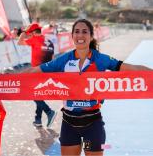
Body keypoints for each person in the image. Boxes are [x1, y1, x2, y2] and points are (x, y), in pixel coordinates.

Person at [25, 19, 152, 156]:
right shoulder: (63, 59)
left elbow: (131, 68)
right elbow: (35, 71)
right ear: (72, 36)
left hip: (92, 127)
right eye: (77, 32)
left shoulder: (101, 59)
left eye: (85, 32)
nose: (80, 35)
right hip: (69, 125)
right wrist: (5, 79)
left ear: (91, 36)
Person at [18, 23, 57, 128]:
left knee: (33, 94)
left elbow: (19, 42)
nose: (29, 35)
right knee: (38, 94)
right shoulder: (49, 42)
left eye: (30, 33)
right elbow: (53, 58)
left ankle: (49, 112)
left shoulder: (35, 39)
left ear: (34, 32)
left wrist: (23, 33)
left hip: (36, 71)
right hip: (47, 71)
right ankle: (38, 119)